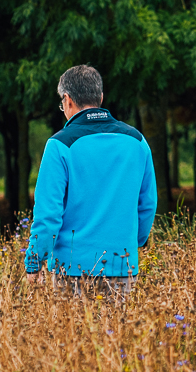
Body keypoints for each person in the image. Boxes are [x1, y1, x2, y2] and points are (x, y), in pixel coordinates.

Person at [24, 65, 157, 294]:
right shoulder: (137, 142)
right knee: (121, 330)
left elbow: (48, 216)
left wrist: (34, 262)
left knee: (73, 331)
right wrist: (130, 245)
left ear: (67, 100)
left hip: (71, 271)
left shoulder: (59, 145)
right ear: (101, 97)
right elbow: (147, 206)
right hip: (122, 268)